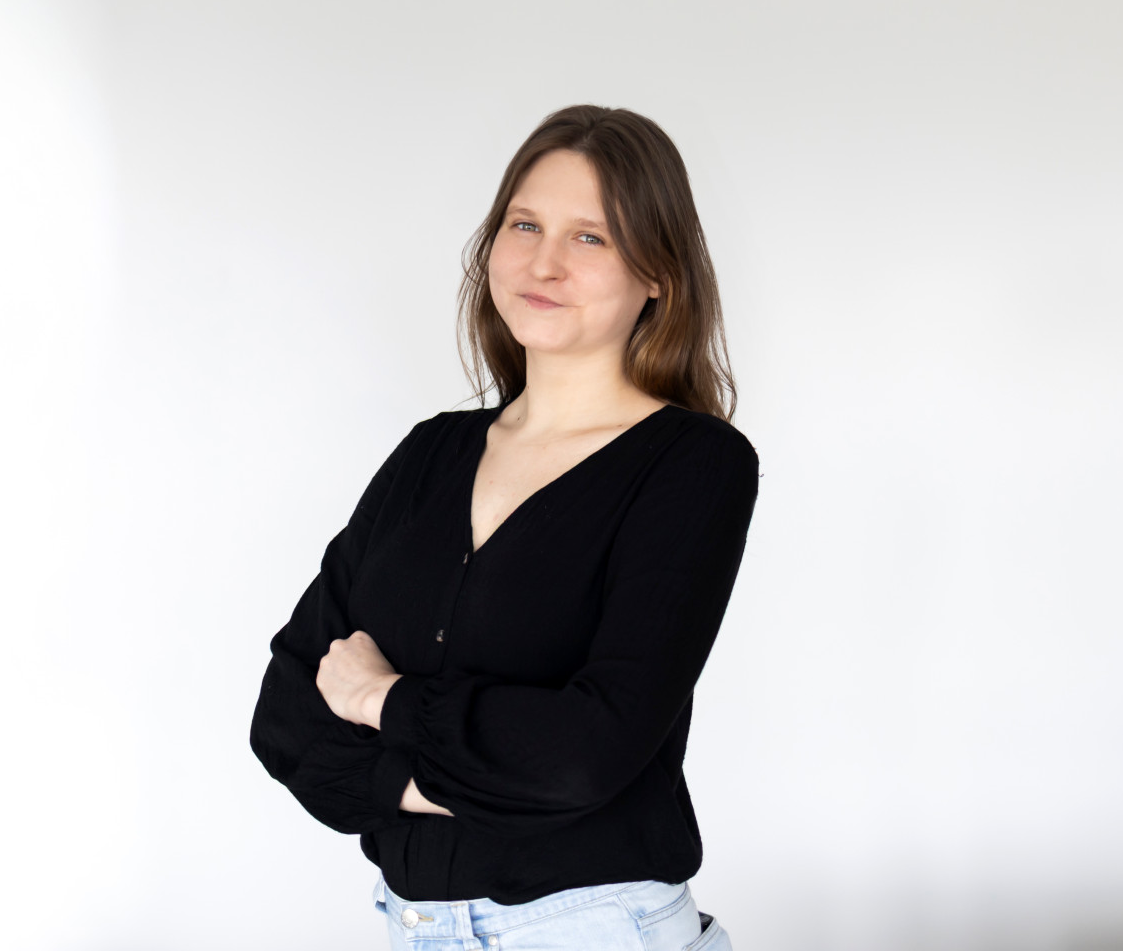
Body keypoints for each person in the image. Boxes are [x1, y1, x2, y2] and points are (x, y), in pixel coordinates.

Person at [250, 104, 759, 950]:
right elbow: (285, 720)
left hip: (593, 930)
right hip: (415, 927)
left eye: (590, 237)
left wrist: (381, 700)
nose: (543, 262)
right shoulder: (429, 454)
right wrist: (473, 776)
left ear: (658, 273)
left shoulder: (693, 466)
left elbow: (585, 756)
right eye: (525, 225)